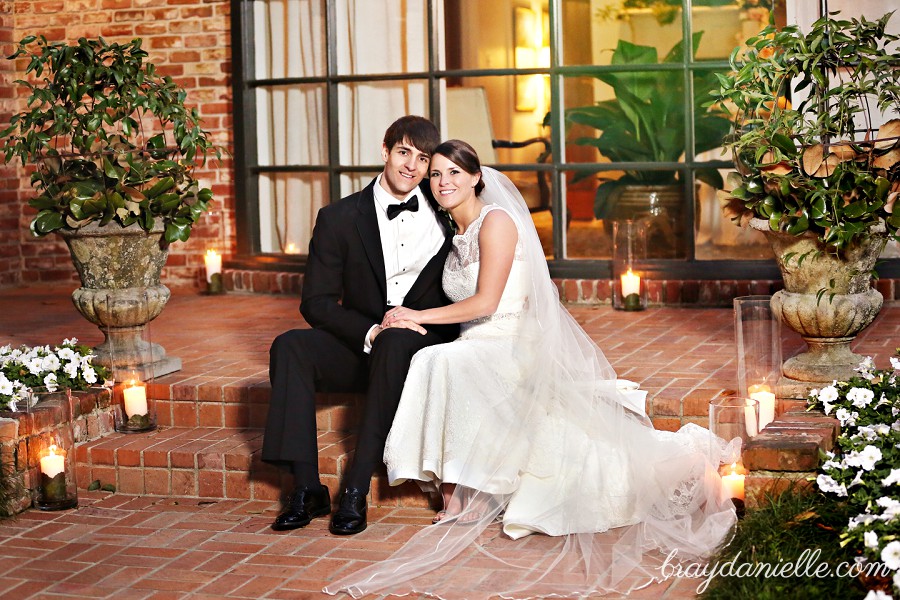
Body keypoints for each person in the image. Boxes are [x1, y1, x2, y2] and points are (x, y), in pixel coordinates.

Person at [324, 140, 738, 597]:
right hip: (477, 341)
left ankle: (461, 495)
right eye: (436, 174)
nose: (444, 182)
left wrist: (413, 316)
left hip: (510, 342)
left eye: (455, 173)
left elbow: (484, 302)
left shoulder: (496, 222)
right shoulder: (453, 233)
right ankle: (460, 490)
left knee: (439, 359)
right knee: (440, 358)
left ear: (477, 177)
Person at [261, 116, 458, 536]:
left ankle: (354, 490)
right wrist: (370, 331)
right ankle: (307, 487)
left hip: (421, 344)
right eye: (404, 152)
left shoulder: (447, 212)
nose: (411, 166)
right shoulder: (338, 217)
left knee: (397, 340)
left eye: (422, 159)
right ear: (384, 151)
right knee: (289, 346)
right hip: (363, 341)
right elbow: (315, 302)